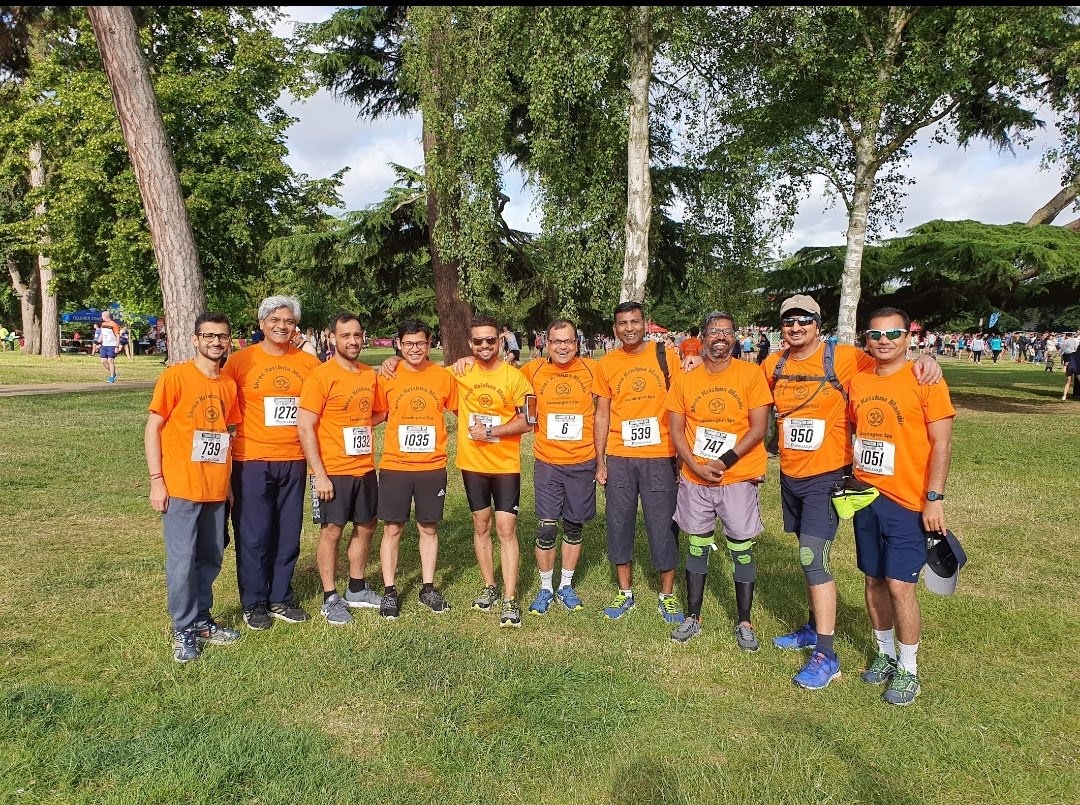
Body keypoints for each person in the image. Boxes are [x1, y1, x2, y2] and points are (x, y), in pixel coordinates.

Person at [762, 295, 941, 689]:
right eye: (789, 321)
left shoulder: (844, 358)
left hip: (828, 477)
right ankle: (814, 627)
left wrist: (927, 360)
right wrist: (693, 359)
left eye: (804, 320)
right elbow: (744, 387)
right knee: (810, 555)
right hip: (791, 476)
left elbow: (891, 362)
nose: (796, 328)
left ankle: (826, 656)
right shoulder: (773, 364)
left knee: (813, 558)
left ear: (818, 323)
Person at [850, 307, 956, 706]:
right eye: (876, 334)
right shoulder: (858, 380)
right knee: (873, 580)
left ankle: (909, 669)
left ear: (909, 338)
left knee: (900, 585)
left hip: (908, 502)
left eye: (893, 334)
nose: (884, 341)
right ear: (866, 338)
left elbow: (942, 443)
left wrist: (934, 498)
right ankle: (884, 654)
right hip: (866, 497)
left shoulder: (925, 380)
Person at [665, 311, 772, 649]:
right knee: (697, 545)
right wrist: (696, 467)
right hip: (696, 479)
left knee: (741, 548)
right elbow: (676, 430)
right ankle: (693, 617)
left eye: (726, 331)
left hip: (737, 476)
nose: (720, 337)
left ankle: (744, 621)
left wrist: (723, 461)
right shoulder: (685, 380)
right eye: (714, 331)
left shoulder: (750, 374)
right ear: (703, 337)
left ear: (735, 337)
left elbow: (759, 428)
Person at [145, 312, 242, 662]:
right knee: (182, 561)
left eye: (222, 336)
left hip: (215, 489)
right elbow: (153, 428)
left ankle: (202, 620)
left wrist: (227, 485)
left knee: (211, 557)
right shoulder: (176, 377)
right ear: (195, 339)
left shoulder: (228, 384)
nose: (216, 342)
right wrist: (157, 480)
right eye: (209, 336)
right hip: (181, 487)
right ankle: (183, 628)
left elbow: (226, 436)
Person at [223, 296, 321, 631]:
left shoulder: (308, 364)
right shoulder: (241, 361)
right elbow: (221, 407)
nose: (282, 326)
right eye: (275, 320)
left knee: (288, 533)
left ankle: (280, 596)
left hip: (294, 459)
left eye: (289, 321)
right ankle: (254, 603)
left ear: (296, 327)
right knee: (254, 534)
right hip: (252, 459)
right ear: (262, 323)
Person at [595, 301, 684, 625]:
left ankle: (667, 595)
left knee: (663, 524)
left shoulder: (666, 355)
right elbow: (601, 414)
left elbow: (681, 404)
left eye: (634, 322)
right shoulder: (606, 363)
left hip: (660, 455)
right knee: (619, 522)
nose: (629, 328)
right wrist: (600, 460)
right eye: (623, 323)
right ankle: (625, 592)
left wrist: (682, 455)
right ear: (615, 328)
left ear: (645, 324)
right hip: (620, 455)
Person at [297, 312, 385, 626]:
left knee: (367, 525)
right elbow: (305, 426)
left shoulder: (369, 375)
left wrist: (360, 424)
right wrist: (319, 474)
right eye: (345, 335)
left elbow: (380, 412)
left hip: (364, 467)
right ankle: (330, 596)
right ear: (332, 338)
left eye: (357, 335)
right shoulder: (321, 376)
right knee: (332, 530)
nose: (353, 341)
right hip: (332, 470)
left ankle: (356, 588)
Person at [373, 320, 458, 618]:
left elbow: (462, 409)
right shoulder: (388, 375)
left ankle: (428, 588)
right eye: (408, 343)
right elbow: (375, 413)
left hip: (432, 466)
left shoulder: (443, 377)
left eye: (420, 343)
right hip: (395, 465)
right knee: (392, 528)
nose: (414, 349)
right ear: (398, 344)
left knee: (428, 527)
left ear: (429, 343)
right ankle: (389, 591)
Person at [520, 318, 601, 615]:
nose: (563, 347)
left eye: (568, 341)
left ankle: (566, 585)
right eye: (556, 341)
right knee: (546, 528)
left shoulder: (593, 369)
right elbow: (498, 377)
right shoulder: (532, 371)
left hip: (582, 461)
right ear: (547, 344)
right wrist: (464, 361)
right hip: (548, 462)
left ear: (577, 344)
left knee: (574, 526)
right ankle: (545, 588)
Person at [99, 311, 121, 383]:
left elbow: (118, 336)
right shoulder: (103, 324)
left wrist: (117, 346)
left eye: (102, 316)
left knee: (110, 361)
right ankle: (114, 373)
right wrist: (99, 342)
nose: (101, 317)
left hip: (112, 345)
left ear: (106, 316)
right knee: (103, 361)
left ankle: (111, 377)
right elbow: (102, 334)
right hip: (104, 345)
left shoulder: (114, 324)